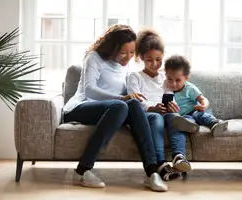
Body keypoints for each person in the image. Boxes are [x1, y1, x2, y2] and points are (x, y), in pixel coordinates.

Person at [63, 24, 167, 192]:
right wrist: (121, 98)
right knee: (121, 105)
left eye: (132, 52)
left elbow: (131, 96)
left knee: (131, 105)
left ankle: (152, 172)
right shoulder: (94, 58)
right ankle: (83, 170)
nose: (128, 57)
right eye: (123, 52)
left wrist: (150, 105)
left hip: (115, 110)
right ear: (112, 48)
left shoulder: (127, 67)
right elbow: (90, 90)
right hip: (82, 106)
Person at [127, 29, 192, 180]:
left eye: (158, 59)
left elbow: (170, 95)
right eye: (149, 59)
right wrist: (152, 108)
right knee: (157, 118)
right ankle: (161, 163)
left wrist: (173, 105)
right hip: (146, 115)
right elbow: (136, 101)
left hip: (164, 112)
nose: (155, 64)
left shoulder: (165, 77)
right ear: (141, 57)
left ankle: (179, 156)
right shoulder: (135, 76)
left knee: (175, 118)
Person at [164, 55, 228, 136]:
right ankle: (192, 127)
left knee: (199, 115)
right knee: (186, 120)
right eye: (170, 79)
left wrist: (204, 106)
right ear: (165, 75)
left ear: (186, 77)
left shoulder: (189, 88)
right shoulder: (165, 89)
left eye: (178, 80)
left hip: (196, 111)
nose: (173, 84)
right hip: (184, 116)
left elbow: (203, 99)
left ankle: (215, 124)